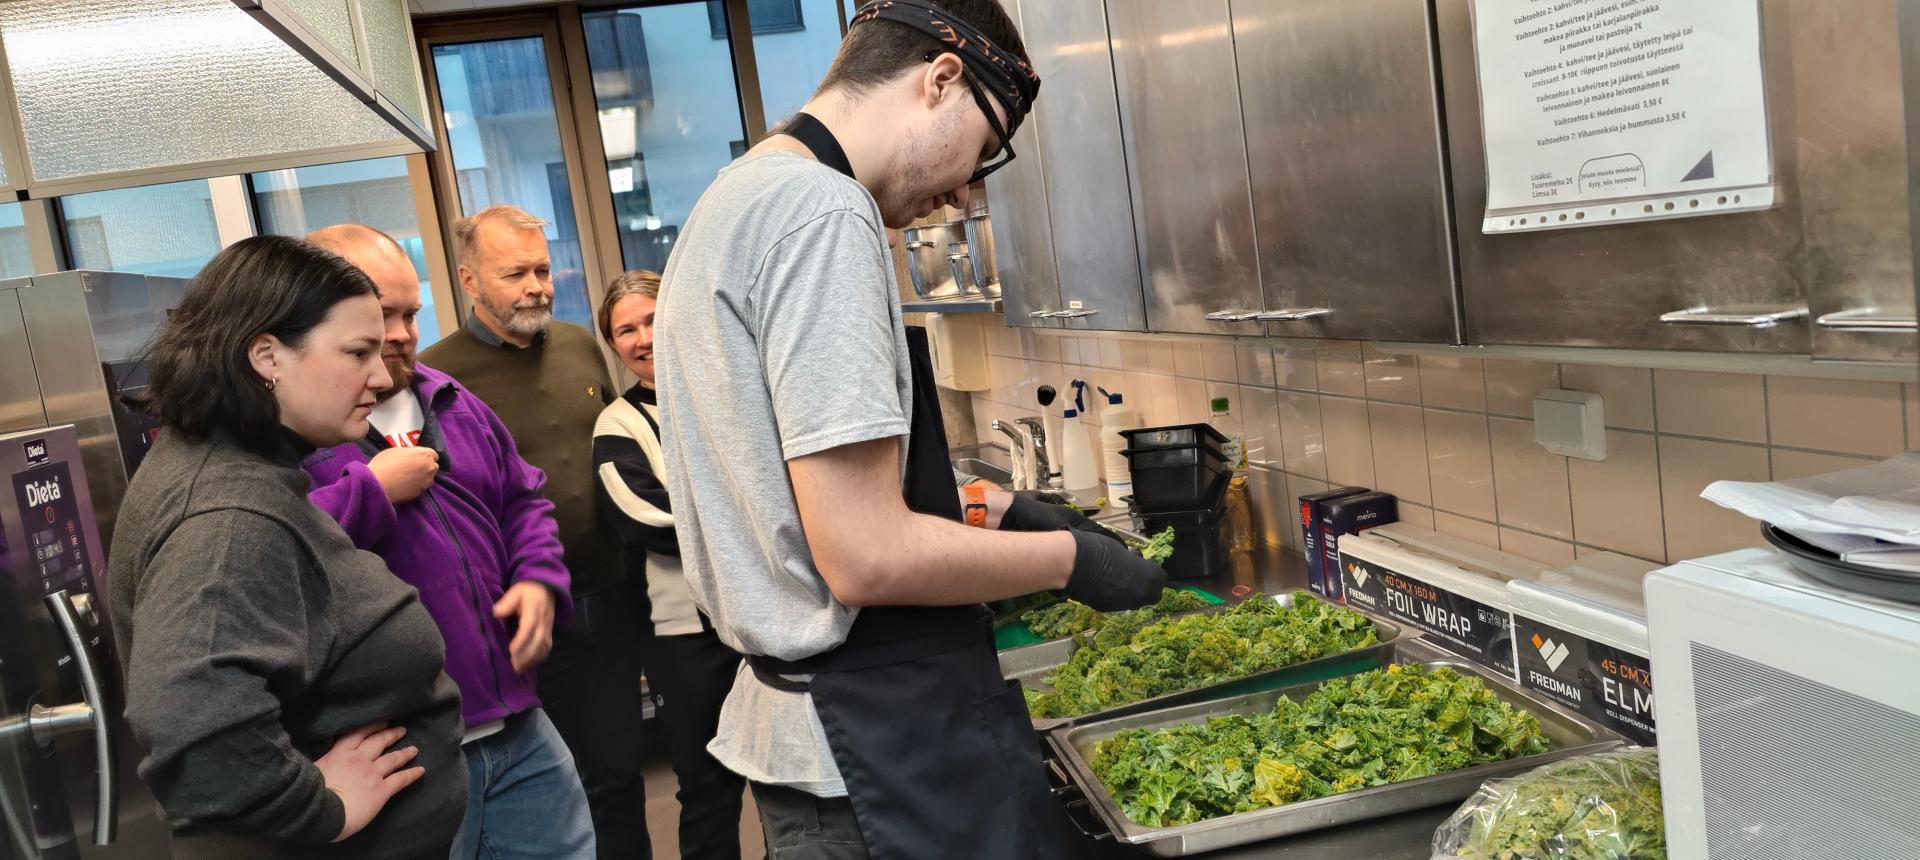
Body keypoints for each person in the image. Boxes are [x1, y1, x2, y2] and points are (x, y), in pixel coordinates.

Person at [652, 1, 1167, 856]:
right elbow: (866, 556)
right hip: (872, 750)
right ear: (941, 80)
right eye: (986, 149)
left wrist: (988, 511)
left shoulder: (738, 196)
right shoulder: (823, 213)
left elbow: (790, 493)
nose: (966, 190)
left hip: (820, 736)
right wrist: (1074, 560)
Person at [107, 235, 467, 859]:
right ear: (268, 356)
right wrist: (320, 809)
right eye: (358, 352)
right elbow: (190, 725)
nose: (381, 378)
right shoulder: (225, 516)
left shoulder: (242, 468)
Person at [300, 224, 596, 860]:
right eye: (383, 315)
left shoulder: (450, 399)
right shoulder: (296, 429)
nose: (404, 333)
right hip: (403, 750)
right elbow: (273, 552)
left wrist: (539, 577)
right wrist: (371, 492)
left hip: (516, 722)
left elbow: (523, 498)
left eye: (411, 312)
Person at [418, 204, 648, 859]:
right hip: (519, 617)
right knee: (551, 787)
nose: (536, 287)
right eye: (515, 273)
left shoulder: (579, 343)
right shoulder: (441, 375)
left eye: (543, 270)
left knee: (619, 773)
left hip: (612, 593)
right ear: (469, 281)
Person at [592, 271, 746, 860]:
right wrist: (747, 522)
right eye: (625, 330)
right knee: (708, 787)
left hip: (769, 617)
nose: (642, 338)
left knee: (793, 775)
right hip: (687, 635)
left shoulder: (734, 391)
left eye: (652, 319)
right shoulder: (620, 425)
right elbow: (646, 521)